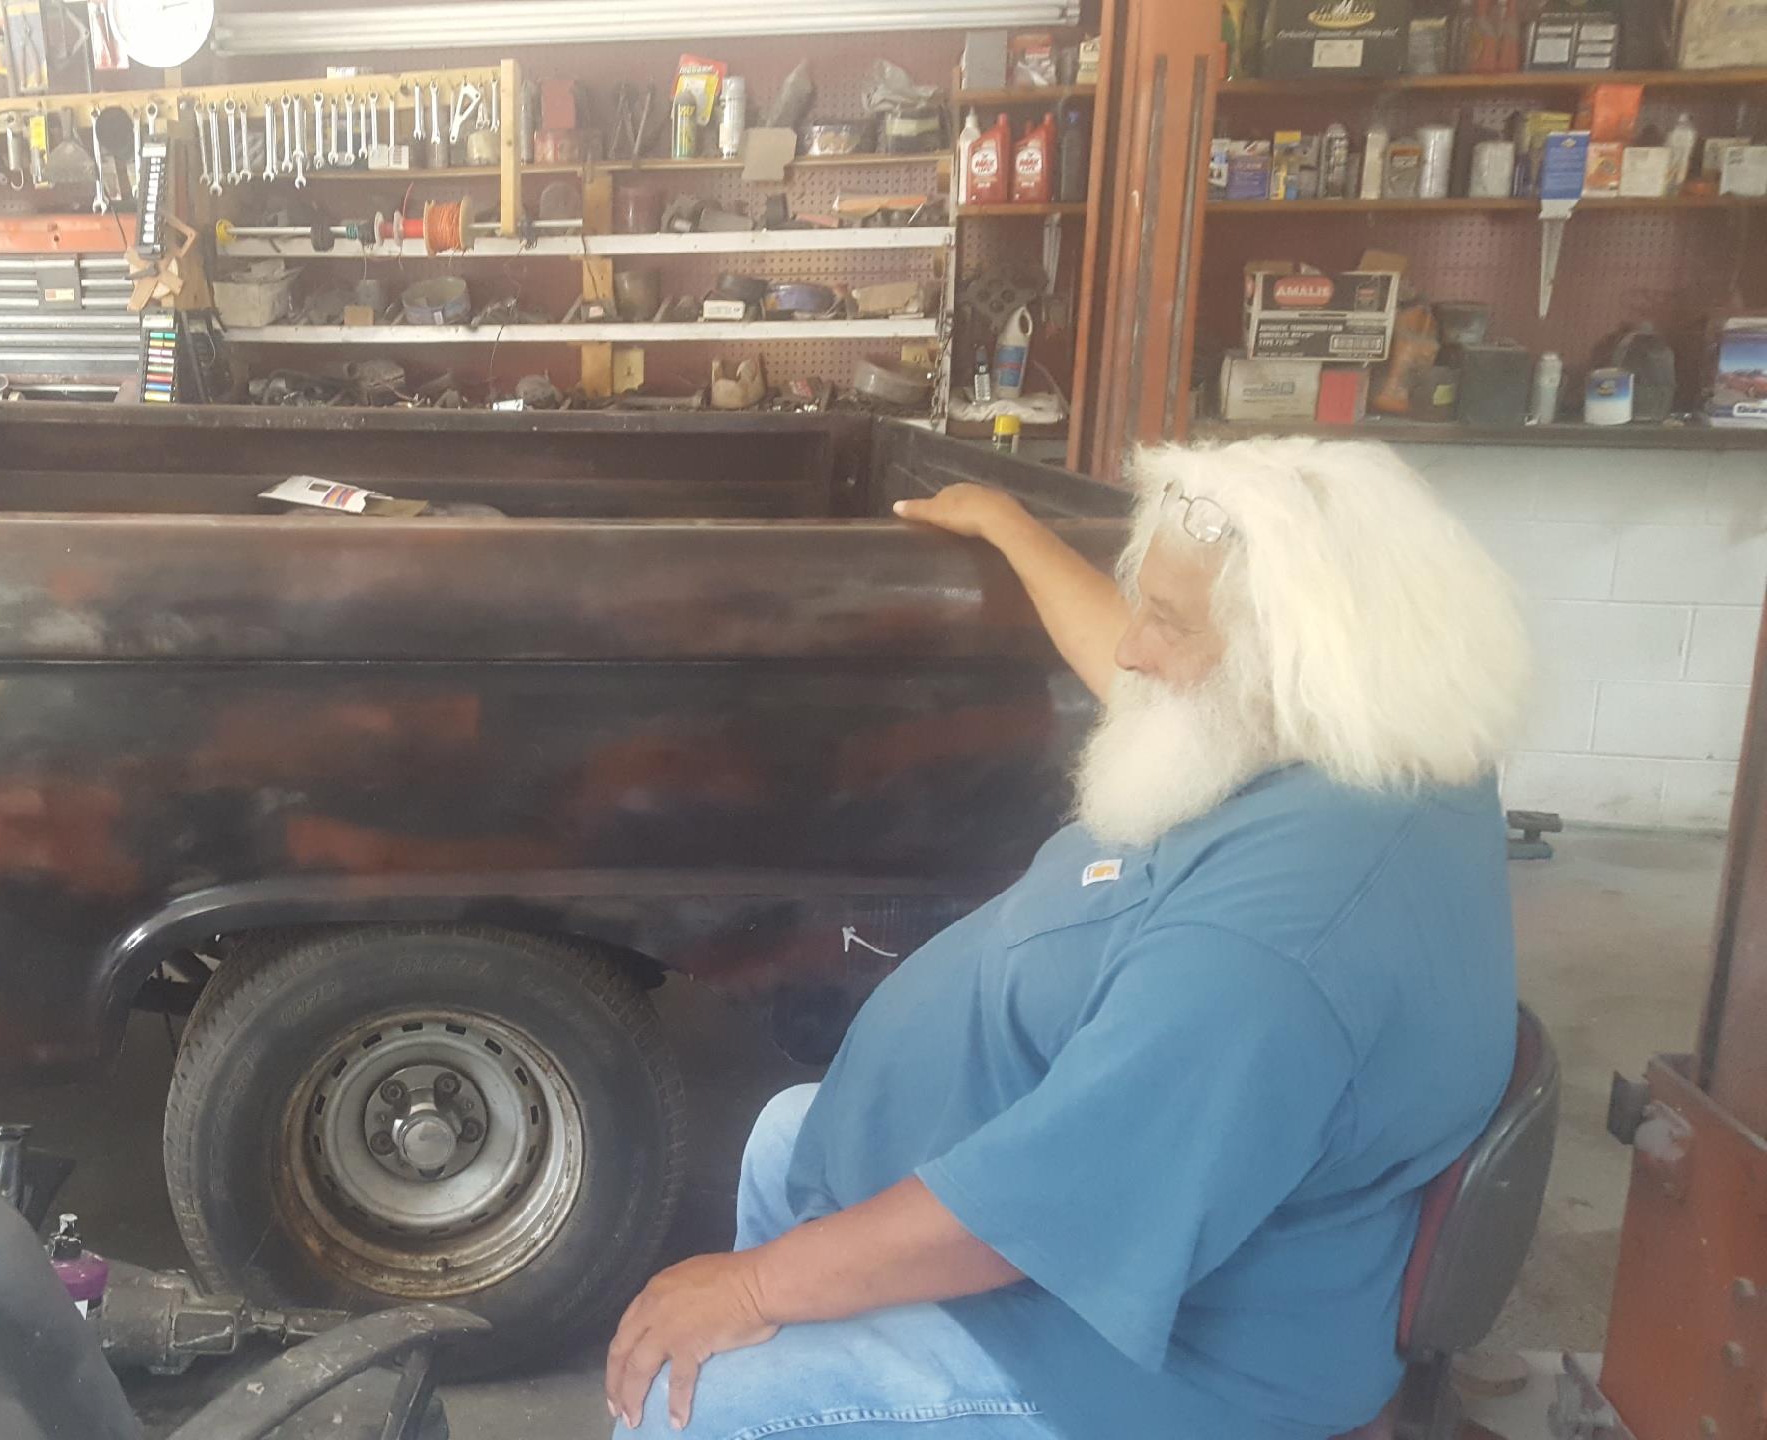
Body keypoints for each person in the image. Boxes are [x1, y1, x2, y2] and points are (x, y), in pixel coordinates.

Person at [604, 438, 1531, 1440]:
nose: (1135, 649)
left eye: (1166, 622)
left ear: (1293, 661)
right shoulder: (1377, 729)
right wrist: (1011, 528)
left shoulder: (1274, 949)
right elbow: (1143, 677)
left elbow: (1049, 1208)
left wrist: (752, 1291)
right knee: (791, 1130)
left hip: (1155, 1352)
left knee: (691, 1404)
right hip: (1120, 1219)